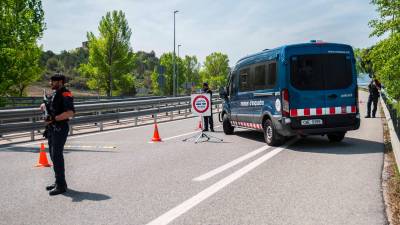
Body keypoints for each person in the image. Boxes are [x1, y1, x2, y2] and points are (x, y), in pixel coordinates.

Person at [40, 73, 75, 196]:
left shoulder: (66, 93)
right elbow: (53, 107)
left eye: (52, 81)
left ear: (60, 82)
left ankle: (61, 186)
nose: (50, 84)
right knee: (53, 156)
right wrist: (45, 106)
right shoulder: (55, 93)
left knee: (57, 156)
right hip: (51, 129)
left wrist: (54, 119)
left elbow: (70, 113)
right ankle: (58, 182)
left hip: (60, 128)